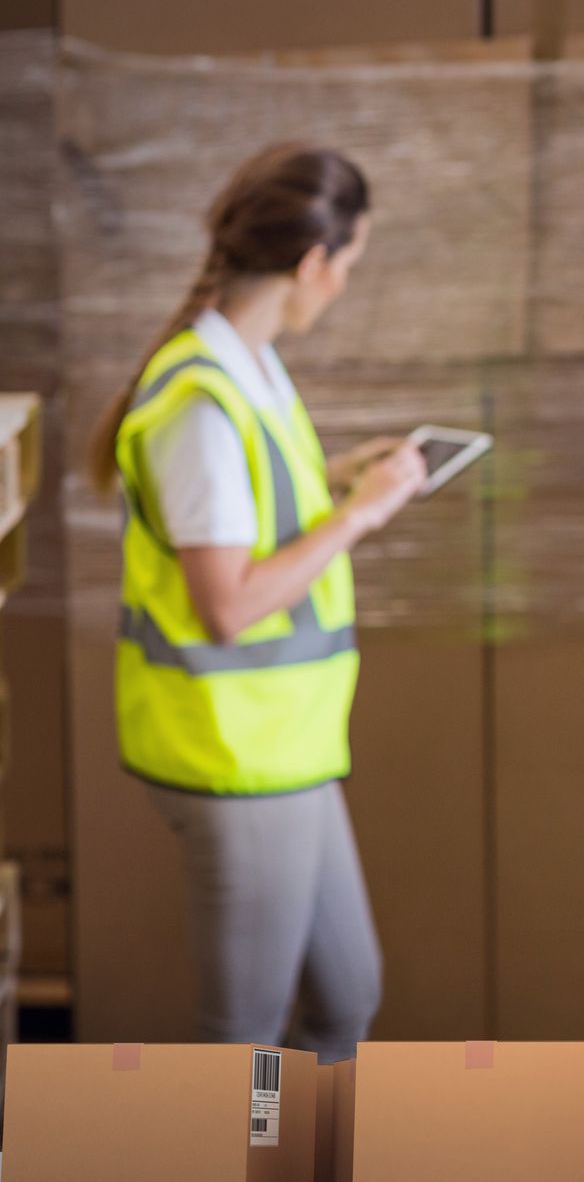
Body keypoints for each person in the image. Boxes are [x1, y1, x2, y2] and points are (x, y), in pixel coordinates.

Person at [87, 142, 426, 1060]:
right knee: (244, 1035)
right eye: (348, 266)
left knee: (346, 997)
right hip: (232, 751)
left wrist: (340, 477)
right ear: (315, 262)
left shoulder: (250, 367)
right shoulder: (201, 400)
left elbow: (252, 508)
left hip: (288, 743)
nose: (342, 286)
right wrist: (359, 515)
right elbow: (226, 605)